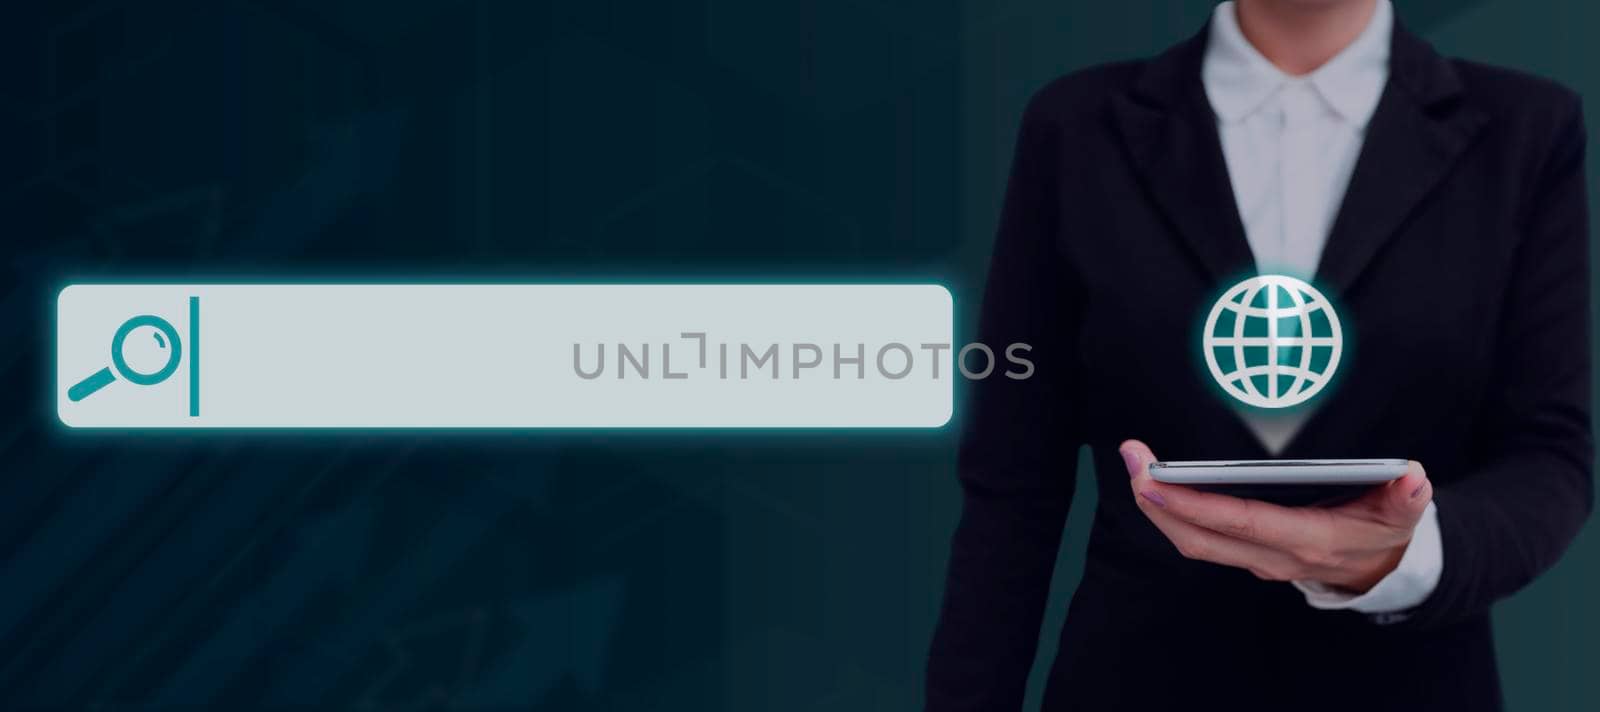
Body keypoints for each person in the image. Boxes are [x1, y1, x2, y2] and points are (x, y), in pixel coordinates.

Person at [925, 1, 1592, 710]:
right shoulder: (1077, 124)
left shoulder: (1527, 128)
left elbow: (1548, 454)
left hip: (1411, 685)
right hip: (1135, 681)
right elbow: (1013, 476)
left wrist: (1405, 557)